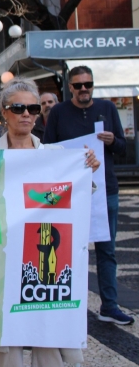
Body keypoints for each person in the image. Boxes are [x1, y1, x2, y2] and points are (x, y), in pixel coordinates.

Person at [0, 77, 95, 367]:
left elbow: (77, 199)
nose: (26, 114)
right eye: (18, 108)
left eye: (33, 108)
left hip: (44, 251)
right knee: (7, 336)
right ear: (4, 112)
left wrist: (87, 171)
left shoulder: (56, 156)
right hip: (2, 255)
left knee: (47, 331)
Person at [43, 65, 134, 326]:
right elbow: (48, 149)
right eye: (78, 85)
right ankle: (64, 307)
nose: (84, 89)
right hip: (68, 192)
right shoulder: (59, 112)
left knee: (107, 250)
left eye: (88, 84)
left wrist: (112, 141)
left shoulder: (107, 108)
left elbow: (122, 147)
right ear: (70, 87)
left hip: (105, 189)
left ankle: (110, 306)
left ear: (93, 85)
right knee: (65, 250)